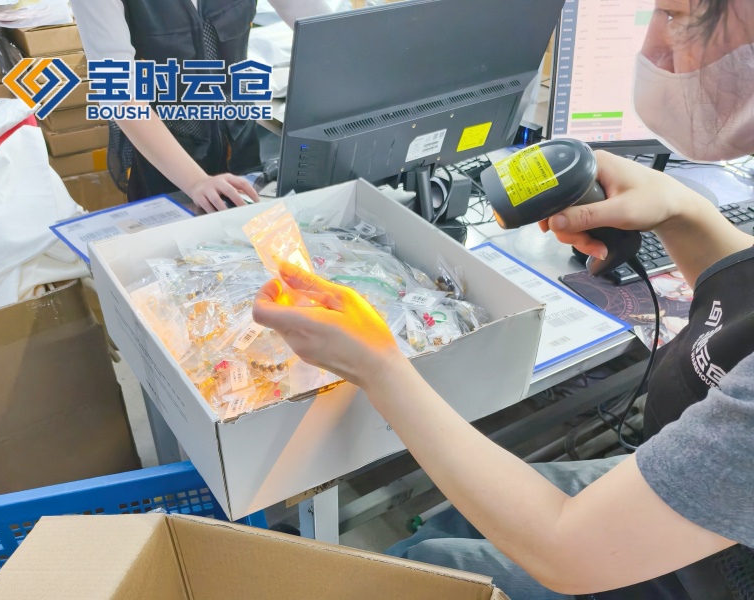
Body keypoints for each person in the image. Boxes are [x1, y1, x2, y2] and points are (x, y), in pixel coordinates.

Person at [251, 0, 754, 597]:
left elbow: (569, 550)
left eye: (674, 14)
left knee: (420, 570)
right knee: (445, 531)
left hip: (714, 573)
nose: (653, 51)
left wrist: (378, 365)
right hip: (698, 486)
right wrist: (683, 212)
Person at [69, 0, 338, 211]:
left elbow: (323, 27)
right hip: (169, 165)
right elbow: (119, 95)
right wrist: (196, 181)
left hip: (242, 149)